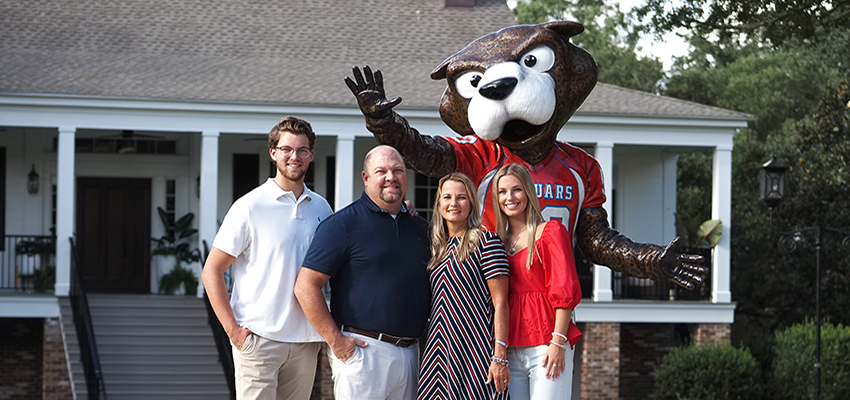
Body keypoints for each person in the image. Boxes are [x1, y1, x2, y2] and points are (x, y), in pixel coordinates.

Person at [201, 116, 332, 400]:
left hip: (305, 342)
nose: (293, 157)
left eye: (301, 150)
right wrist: (233, 331)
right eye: (286, 149)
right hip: (258, 341)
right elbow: (211, 271)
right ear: (273, 153)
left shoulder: (322, 207)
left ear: (311, 155)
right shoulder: (249, 206)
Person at [294, 145, 431, 400]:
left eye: (398, 171)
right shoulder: (343, 225)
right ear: (366, 178)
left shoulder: (421, 228)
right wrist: (336, 341)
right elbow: (305, 286)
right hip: (364, 353)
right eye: (381, 171)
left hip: (412, 354)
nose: (391, 177)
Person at [491, 163, 582, 400]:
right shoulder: (496, 242)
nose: (509, 197)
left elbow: (565, 291)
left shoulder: (550, 232)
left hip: (547, 345)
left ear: (528, 192)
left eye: (516, 190)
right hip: (510, 349)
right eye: (502, 192)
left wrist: (558, 343)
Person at [417, 172, 511, 400]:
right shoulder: (438, 248)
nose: (453, 203)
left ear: (471, 203)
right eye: (447, 197)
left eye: (461, 197)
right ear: (439, 204)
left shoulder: (486, 242)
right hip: (440, 352)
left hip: (476, 352)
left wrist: (499, 356)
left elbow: (501, 303)